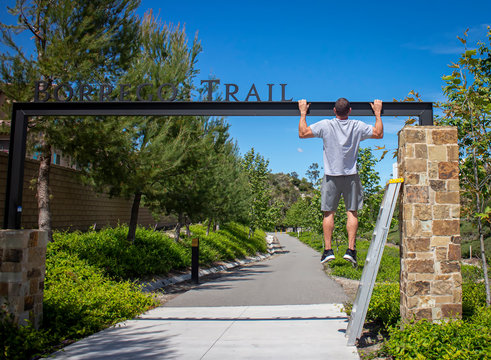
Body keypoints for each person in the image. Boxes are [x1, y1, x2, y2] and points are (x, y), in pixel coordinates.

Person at [298, 98, 383, 265]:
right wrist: (377, 113)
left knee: (328, 213)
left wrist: (303, 113)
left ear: (334, 111)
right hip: (351, 175)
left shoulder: (325, 125)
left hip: (331, 176)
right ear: (350, 110)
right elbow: (379, 134)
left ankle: (328, 250)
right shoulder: (357, 126)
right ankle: (351, 250)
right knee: (352, 212)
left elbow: (303, 133)